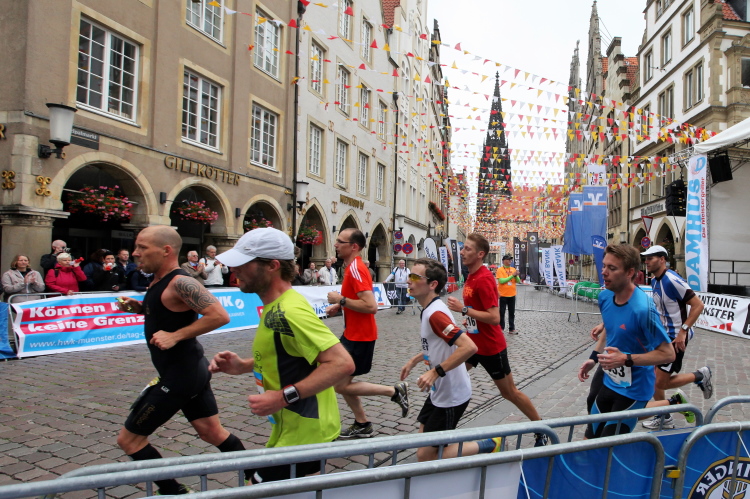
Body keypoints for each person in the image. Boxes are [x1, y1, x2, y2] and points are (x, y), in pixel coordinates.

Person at [209, 228, 355, 484]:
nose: (234, 270)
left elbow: (342, 363)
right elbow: (291, 354)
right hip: (296, 428)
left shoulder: (289, 311)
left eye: (243, 263)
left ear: (272, 266)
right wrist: (243, 365)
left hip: (305, 433)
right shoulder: (277, 306)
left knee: (254, 489)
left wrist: (282, 397)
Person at [115, 226, 249, 495]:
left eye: (142, 247)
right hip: (190, 371)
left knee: (129, 440)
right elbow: (169, 311)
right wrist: (141, 309)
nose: (135, 252)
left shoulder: (180, 282)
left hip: (180, 377)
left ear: (166, 250)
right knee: (212, 432)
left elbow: (219, 315)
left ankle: (174, 492)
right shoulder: (159, 280)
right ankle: (257, 475)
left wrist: (175, 336)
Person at [446, 234, 547, 446]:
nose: (462, 252)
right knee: (451, 378)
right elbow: (479, 310)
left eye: (467, 249)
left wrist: (464, 310)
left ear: (480, 254)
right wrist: (470, 320)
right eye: (463, 248)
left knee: (509, 393)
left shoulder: (484, 278)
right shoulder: (471, 275)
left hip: (491, 348)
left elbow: (494, 317)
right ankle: (444, 433)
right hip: (472, 345)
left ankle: (540, 428)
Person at [401, 258, 504, 460]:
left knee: (426, 456)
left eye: (414, 277)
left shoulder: (435, 314)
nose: (408, 280)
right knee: (422, 444)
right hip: (439, 390)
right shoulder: (430, 309)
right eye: (409, 275)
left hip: (451, 395)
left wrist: (435, 371)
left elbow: (469, 347)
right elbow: (438, 345)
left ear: (432, 284)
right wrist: (415, 359)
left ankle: (490, 444)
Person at [578, 244, 675, 439]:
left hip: (634, 389)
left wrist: (625, 359)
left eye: (612, 268)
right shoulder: (605, 296)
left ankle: (673, 404)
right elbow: (611, 329)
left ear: (630, 272)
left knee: (607, 446)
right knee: (589, 439)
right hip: (611, 381)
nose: (604, 272)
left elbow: (668, 354)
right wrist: (594, 358)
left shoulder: (643, 310)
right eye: (604, 266)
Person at [325, 228, 409, 438]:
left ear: (354, 246)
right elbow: (357, 300)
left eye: (340, 241)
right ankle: (362, 423)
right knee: (342, 383)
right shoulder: (351, 267)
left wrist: (340, 300)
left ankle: (393, 392)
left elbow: (371, 306)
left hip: (359, 337)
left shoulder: (356, 268)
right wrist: (340, 306)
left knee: (340, 384)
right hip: (352, 334)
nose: (335, 244)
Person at [639, 244, 711, 429]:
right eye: (645, 259)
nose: (646, 262)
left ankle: (699, 376)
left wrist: (683, 331)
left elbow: (698, 305)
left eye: (650, 258)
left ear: (662, 259)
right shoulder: (654, 281)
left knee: (659, 382)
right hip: (662, 337)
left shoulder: (672, 280)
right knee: (654, 379)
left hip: (675, 338)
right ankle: (664, 416)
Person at [495, 254, 521, 334]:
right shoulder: (500, 270)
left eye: (511, 259)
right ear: (503, 261)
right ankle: (501, 328)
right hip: (503, 295)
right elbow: (501, 281)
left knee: (512, 312)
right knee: (502, 312)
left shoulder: (513, 269)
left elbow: (518, 281)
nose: (510, 261)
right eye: (508, 259)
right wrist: (512, 276)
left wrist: (516, 276)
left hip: (512, 294)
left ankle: (511, 328)